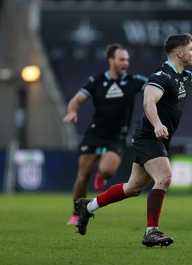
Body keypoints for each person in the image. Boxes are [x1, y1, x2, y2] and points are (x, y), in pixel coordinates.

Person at [75, 33, 192, 247]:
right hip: (148, 135)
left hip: (157, 138)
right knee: (164, 178)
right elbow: (148, 101)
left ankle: (87, 207)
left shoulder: (183, 76)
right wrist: (157, 124)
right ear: (179, 53)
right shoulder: (161, 76)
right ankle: (151, 233)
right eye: (191, 49)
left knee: (133, 187)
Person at [63, 44, 147, 225]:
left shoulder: (134, 81)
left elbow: (155, 87)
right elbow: (76, 100)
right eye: (122, 59)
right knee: (83, 175)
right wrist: (72, 111)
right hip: (94, 133)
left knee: (108, 170)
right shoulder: (96, 81)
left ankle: (102, 175)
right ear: (111, 61)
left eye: (127, 59)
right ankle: (77, 212)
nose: (126, 62)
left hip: (115, 136)